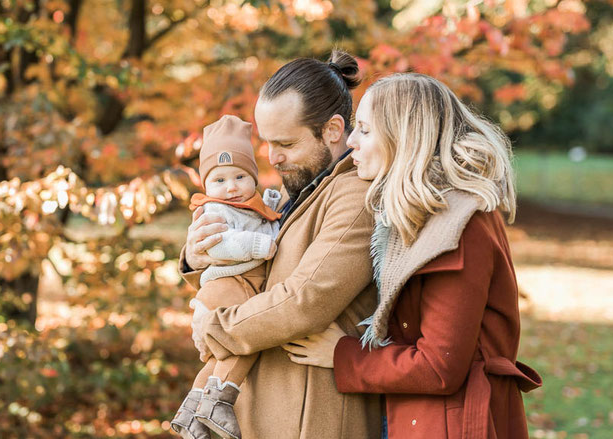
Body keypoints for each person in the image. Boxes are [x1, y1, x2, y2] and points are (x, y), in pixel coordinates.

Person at [281, 73, 542, 438]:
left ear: (405, 137)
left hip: (454, 424)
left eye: (366, 130)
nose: (351, 141)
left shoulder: (460, 225)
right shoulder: (413, 214)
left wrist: (343, 354)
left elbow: (439, 366)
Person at [178, 51, 382, 438]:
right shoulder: (302, 189)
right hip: (270, 407)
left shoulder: (353, 196)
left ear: (333, 130)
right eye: (268, 143)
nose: (273, 158)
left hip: (315, 415)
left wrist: (214, 328)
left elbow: (305, 300)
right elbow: (260, 274)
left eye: (286, 143)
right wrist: (196, 256)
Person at [170, 115, 281, 439]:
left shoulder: (248, 205)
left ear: (253, 178)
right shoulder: (215, 211)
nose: (231, 186)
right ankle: (219, 402)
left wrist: (271, 206)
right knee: (246, 342)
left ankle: (192, 410)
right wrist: (257, 244)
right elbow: (221, 244)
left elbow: (265, 219)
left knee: (224, 354)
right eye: (219, 180)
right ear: (206, 185)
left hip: (236, 288)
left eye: (240, 176)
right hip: (226, 287)